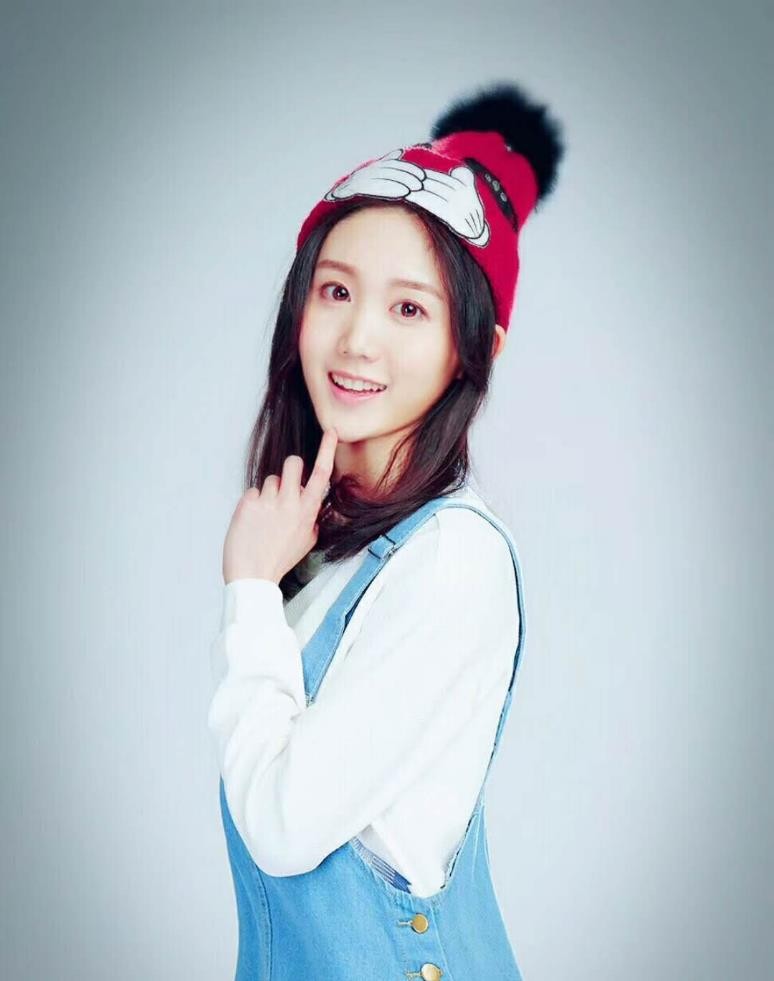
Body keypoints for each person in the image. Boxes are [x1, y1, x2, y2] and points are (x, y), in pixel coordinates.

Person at [207, 79, 566, 980]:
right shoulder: (331, 546)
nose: (357, 339)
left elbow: (282, 827)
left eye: (409, 308)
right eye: (336, 290)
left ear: (474, 347)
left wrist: (249, 590)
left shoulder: (452, 560)